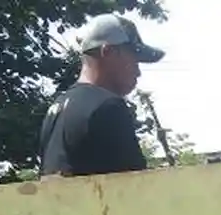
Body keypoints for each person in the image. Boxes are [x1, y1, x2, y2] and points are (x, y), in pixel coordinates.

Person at [39, 13, 165, 178]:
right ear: (108, 52)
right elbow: (135, 188)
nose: (138, 71)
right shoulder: (108, 106)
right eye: (134, 59)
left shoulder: (57, 108)